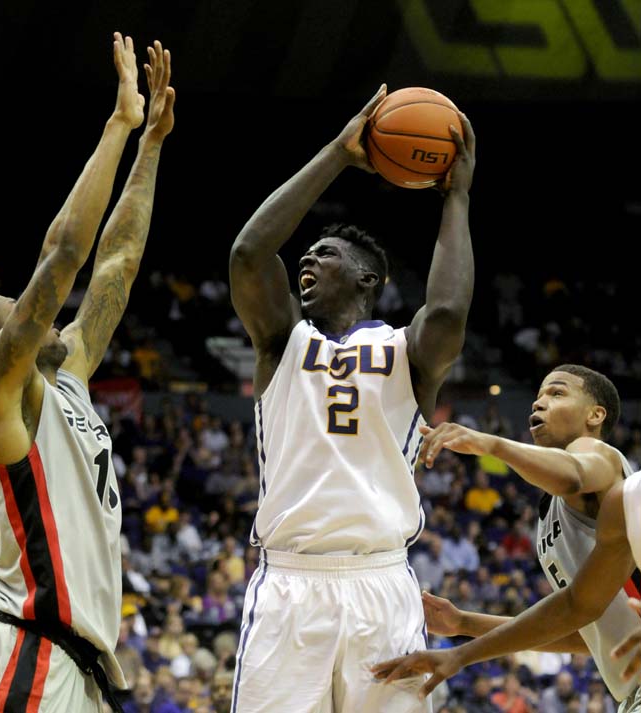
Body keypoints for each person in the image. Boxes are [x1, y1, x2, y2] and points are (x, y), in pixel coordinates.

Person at [228, 82, 476, 711]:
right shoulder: (281, 342)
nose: (307, 256)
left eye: (326, 254)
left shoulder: (407, 351)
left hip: (380, 581)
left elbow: (447, 309)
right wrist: (338, 153)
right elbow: (250, 253)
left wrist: (457, 198)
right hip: (290, 582)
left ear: (368, 278)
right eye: (308, 252)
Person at [0, 32, 175, 712]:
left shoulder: (68, 377)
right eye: (23, 311)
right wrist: (119, 125)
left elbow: (114, 263)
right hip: (30, 654)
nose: (53, 319)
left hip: (79, 669)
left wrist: (149, 148)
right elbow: (63, 257)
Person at [372, 370, 641, 710]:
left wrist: (492, 444)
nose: (540, 401)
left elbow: (574, 474)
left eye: (557, 394)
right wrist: (465, 623)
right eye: (539, 395)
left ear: (595, 415)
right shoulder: (550, 519)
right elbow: (588, 634)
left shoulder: (597, 453)